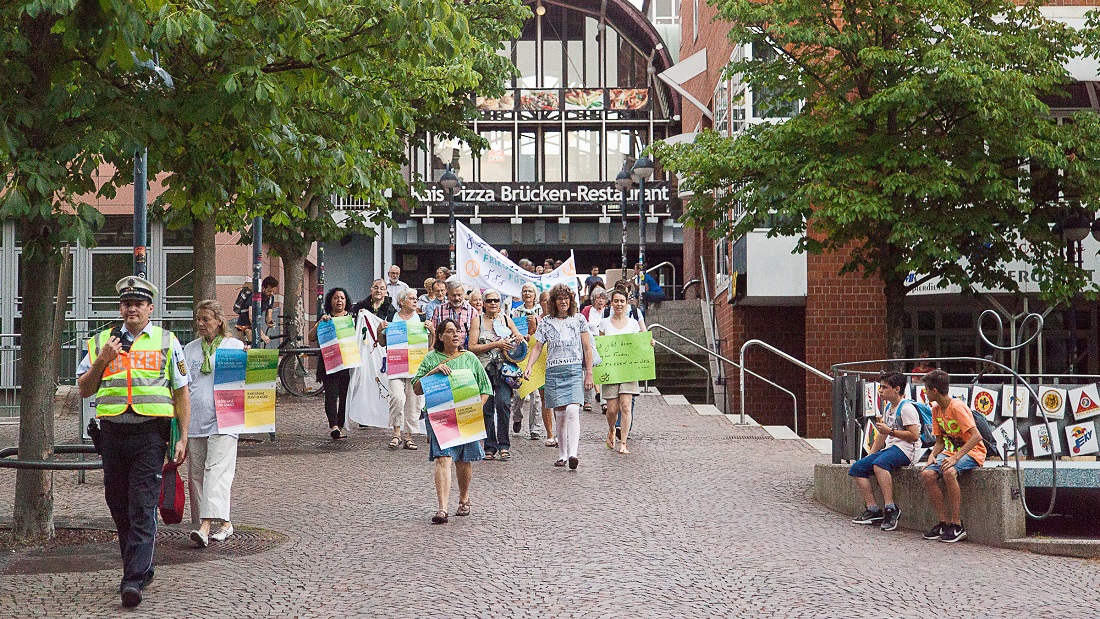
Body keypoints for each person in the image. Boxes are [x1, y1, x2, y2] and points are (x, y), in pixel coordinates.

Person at [76, 276, 190, 608]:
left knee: (142, 505)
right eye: (127, 304)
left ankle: (133, 579)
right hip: (111, 435)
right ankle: (141, 566)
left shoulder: (167, 341)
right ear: (120, 308)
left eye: (138, 304)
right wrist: (103, 360)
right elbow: (84, 388)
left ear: (150, 308)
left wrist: (183, 437)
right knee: (118, 504)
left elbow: (181, 393)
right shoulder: (102, 342)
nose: (132, 309)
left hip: (149, 434)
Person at [412, 318, 494, 524]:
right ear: (440, 336)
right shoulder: (431, 358)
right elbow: (416, 388)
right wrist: (433, 372)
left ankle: (464, 499)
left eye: (458, 331)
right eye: (450, 331)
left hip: (466, 416)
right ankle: (442, 509)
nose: (456, 334)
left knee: (463, 460)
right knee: (443, 458)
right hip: (439, 417)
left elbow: (486, 389)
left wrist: (474, 410)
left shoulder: (470, 359)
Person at [184, 300, 244, 548]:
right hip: (196, 420)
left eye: (206, 319)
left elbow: (246, 382)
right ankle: (224, 524)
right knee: (196, 474)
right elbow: (184, 385)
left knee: (215, 471)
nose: (201, 324)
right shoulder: (189, 349)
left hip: (226, 419)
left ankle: (205, 525)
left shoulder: (234, 346)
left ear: (219, 321)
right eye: (198, 319)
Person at [523, 284, 596, 471]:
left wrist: (589, 373)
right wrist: (529, 366)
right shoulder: (546, 321)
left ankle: (574, 454)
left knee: (573, 411)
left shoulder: (578, 319)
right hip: (554, 371)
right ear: (554, 302)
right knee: (561, 415)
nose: (563, 302)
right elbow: (537, 346)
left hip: (573, 370)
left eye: (567, 298)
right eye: (559, 299)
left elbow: (587, 347)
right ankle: (562, 454)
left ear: (571, 301)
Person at [847, 371, 921, 531]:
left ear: (896, 389)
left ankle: (890, 508)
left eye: (884, 387)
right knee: (857, 468)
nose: (880, 391)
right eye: (880, 387)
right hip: (892, 448)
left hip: (907, 450)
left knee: (880, 464)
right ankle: (873, 509)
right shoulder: (888, 407)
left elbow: (914, 436)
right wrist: (871, 454)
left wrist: (891, 431)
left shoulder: (906, 408)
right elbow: (882, 433)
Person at [920, 369, 986, 543]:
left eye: (926, 389)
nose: (925, 393)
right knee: (927, 474)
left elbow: (976, 437)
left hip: (973, 451)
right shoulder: (935, 409)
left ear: (934, 391)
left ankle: (957, 525)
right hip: (950, 451)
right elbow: (940, 441)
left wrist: (955, 458)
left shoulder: (957, 407)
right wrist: (932, 455)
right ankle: (943, 522)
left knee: (949, 472)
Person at [468, 289, 523, 461]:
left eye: (496, 300)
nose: (493, 303)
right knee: (486, 407)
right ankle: (490, 446)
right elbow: (472, 347)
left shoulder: (506, 319)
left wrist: (519, 338)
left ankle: (504, 445)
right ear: (483, 303)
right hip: (484, 369)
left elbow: (517, 336)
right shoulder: (477, 321)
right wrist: (495, 344)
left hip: (504, 369)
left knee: (504, 403)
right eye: (489, 300)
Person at [598, 289, 651, 455]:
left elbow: (641, 344)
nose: (619, 304)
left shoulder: (633, 324)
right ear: (611, 303)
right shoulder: (604, 323)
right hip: (611, 371)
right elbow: (600, 347)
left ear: (627, 303)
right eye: (616, 301)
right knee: (612, 409)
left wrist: (650, 343)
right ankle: (611, 429)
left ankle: (624, 443)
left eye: (622, 301)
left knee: (626, 406)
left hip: (629, 370)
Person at [377, 288, 429, 451]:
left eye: (416, 299)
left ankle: (409, 436)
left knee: (414, 402)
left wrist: (432, 331)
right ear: (401, 302)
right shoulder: (392, 318)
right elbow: (383, 342)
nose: (415, 301)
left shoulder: (421, 318)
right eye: (412, 298)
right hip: (397, 365)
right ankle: (396, 433)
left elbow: (430, 345)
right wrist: (379, 330)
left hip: (415, 367)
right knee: (397, 398)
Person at [311, 287, 353, 440]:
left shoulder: (352, 318)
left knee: (344, 396)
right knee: (330, 394)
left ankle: (340, 426)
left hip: (347, 362)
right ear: (330, 301)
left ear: (346, 301)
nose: (339, 301)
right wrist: (319, 324)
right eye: (336, 298)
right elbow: (311, 337)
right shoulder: (325, 318)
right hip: (329, 362)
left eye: (342, 298)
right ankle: (333, 426)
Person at [511, 283, 544, 440]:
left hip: (537, 354)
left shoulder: (542, 311)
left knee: (536, 394)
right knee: (519, 391)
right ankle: (517, 416)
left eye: (530, 291)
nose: (527, 293)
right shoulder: (515, 312)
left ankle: (535, 429)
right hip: (521, 354)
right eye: (525, 291)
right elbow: (511, 329)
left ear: (535, 294)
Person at [580, 287, 608, 412]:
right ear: (593, 299)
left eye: (603, 298)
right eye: (598, 298)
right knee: (588, 370)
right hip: (590, 342)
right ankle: (587, 400)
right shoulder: (587, 310)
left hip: (605, 343)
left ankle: (604, 400)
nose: (601, 300)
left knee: (603, 371)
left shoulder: (608, 311)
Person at [429, 279, 478, 346]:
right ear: (448, 294)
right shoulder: (439, 310)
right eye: (453, 295)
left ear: (463, 293)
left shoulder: (472, 312)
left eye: (459, 295)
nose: (457, 298)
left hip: (464, 352)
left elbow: (473, 339)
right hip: (444, 352)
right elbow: (435, 332)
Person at [235, 275, 279, 343]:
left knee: (255, 350)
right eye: (269, 291)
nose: (271, 293)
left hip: (254, 327)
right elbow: (252, 317)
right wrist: (262, 335)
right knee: (253, 350)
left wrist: (270, 322)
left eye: (273, 291)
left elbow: (268, 316)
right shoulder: (256, 296)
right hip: (245, 326)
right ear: (263, 288)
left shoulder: (270, 299)